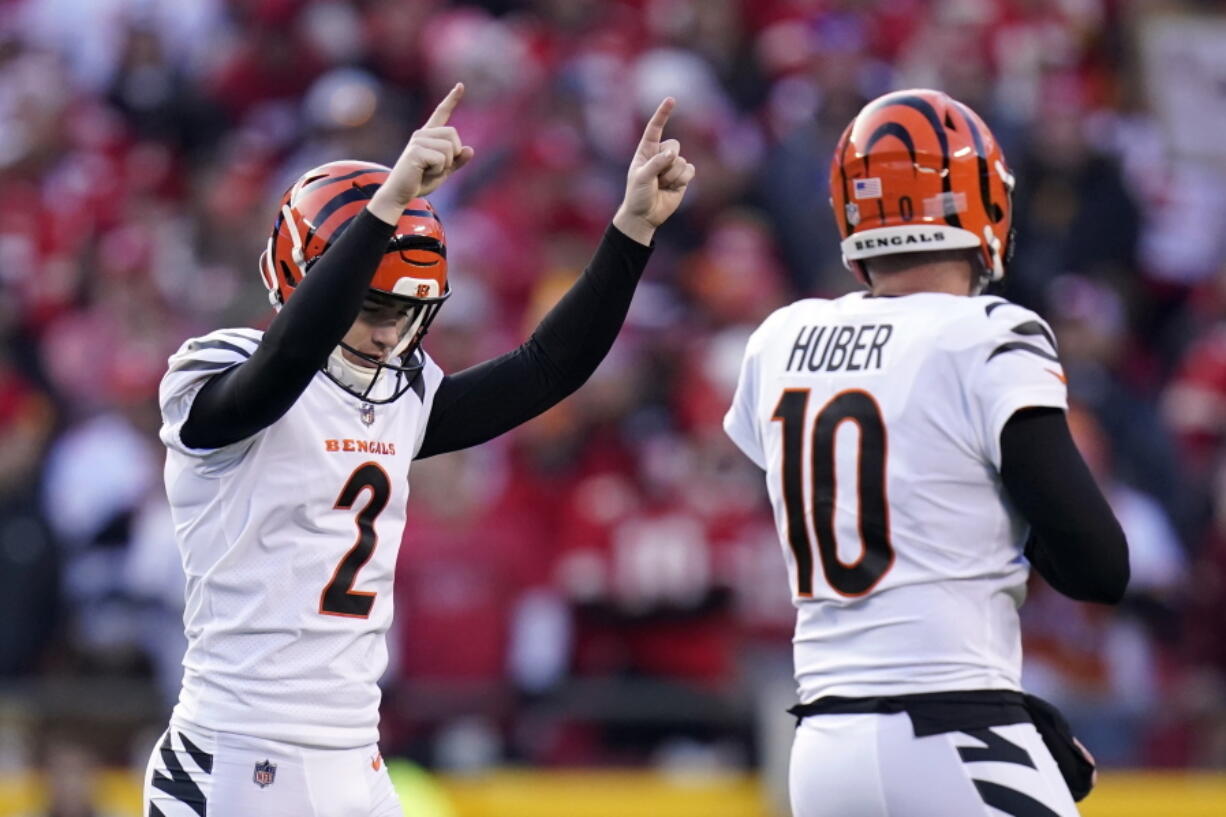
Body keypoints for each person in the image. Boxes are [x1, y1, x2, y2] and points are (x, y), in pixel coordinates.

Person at [143, 83, 694, 817]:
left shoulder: (396, 395)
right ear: (301, 275)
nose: (385, 334)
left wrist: (630, 232)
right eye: (373, 306)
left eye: (405, 313)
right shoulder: (219, 370)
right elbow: (279, 371)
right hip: (243, 755)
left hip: (355, 757)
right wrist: (384, 205)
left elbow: (543, 371)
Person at [723, 89, 1129, 817]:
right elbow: (1101, 565)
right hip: (954, 730)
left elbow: (864, 504)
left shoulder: (779, 339)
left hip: (821, 748)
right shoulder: (990, 335)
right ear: (983, 206)